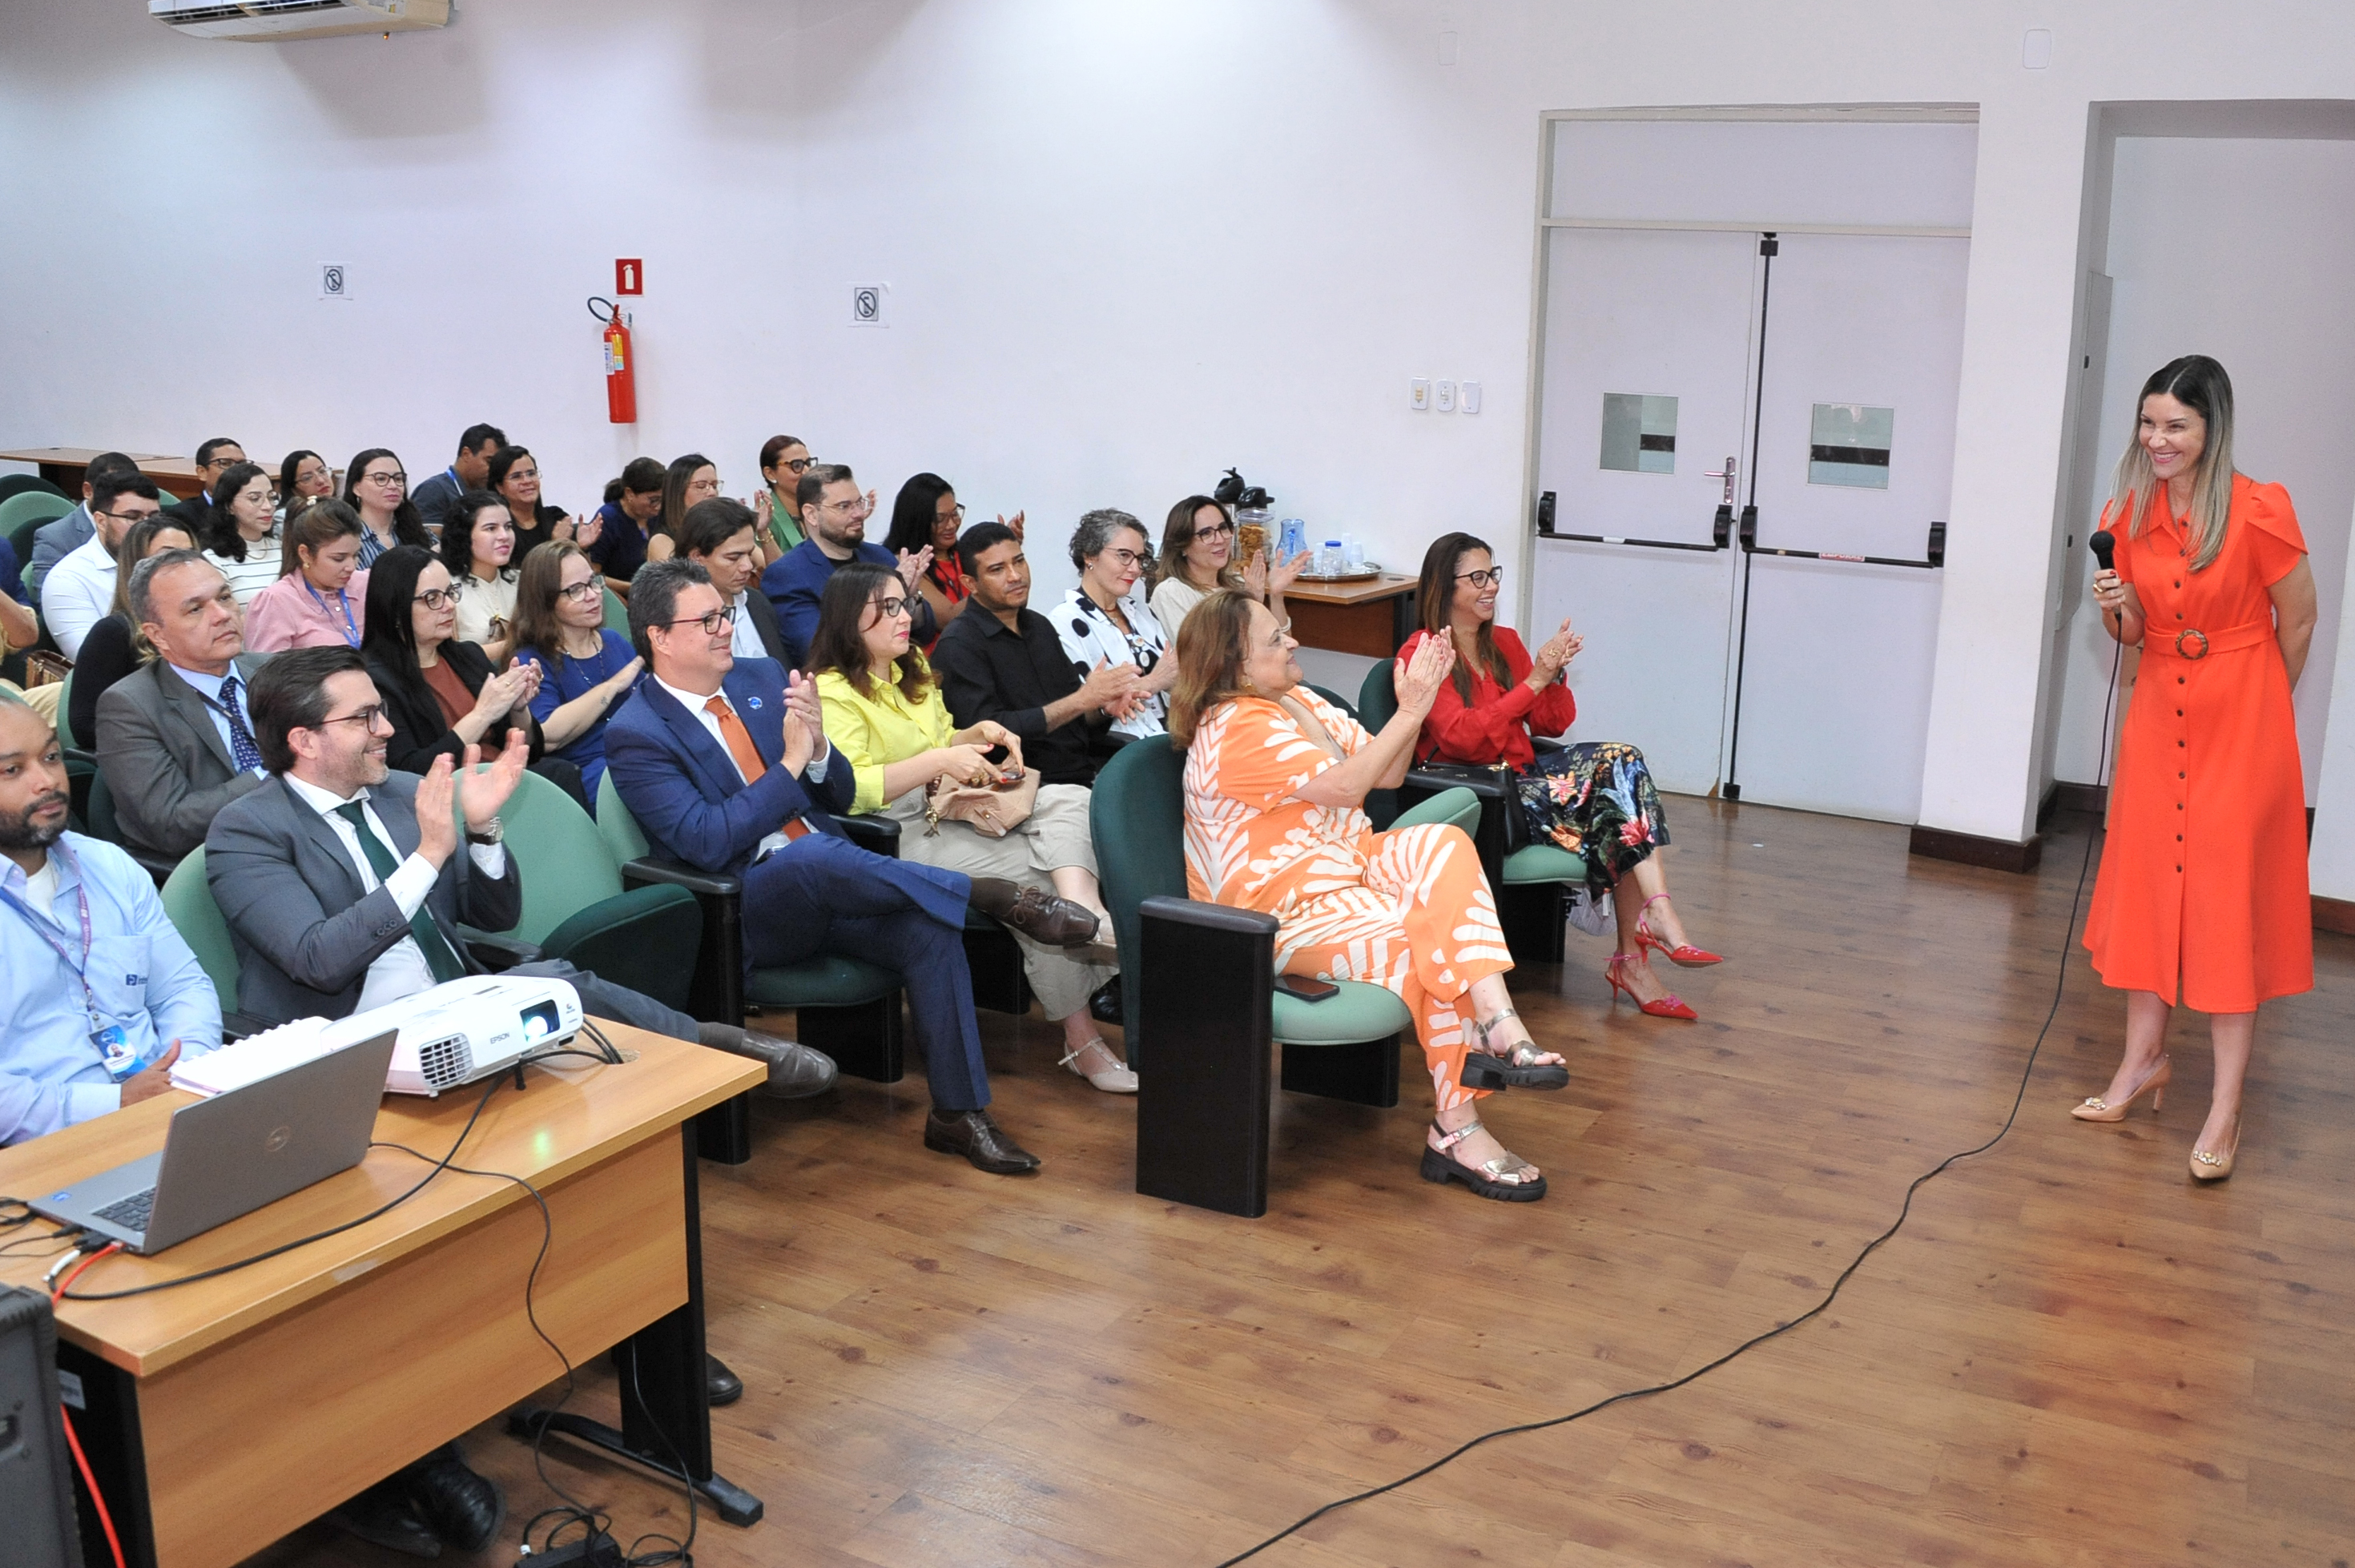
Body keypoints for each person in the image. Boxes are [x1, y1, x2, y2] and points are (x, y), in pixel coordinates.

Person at [606, 559, 1094, 1173]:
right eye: (707, 619)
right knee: (808, 854)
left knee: (926, 929)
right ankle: (985, 895)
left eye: (725, 613)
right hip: (745, 908)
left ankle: (959, 1115)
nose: (726, 627)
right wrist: (790, 766)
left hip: (832, 877)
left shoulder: (759, 678)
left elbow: (836, 794)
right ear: (658, 636)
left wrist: (817, 751)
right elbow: (706, 841)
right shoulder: (637, 733)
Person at [1173, 590, 1568, 1200]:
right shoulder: (1236, 725)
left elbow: (1385, 774)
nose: (1293, 641)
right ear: (1237, 665)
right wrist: (1413, 709)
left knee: (1441, 844)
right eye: (1275, 639)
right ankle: (1456, 1130)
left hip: (1343, 874)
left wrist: (1413, 711)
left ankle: (1498, 1020)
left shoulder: (1296, 699)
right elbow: (1348, 786)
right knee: (1422, 940)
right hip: (1277, 919)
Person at [2079, 355, 2315, 1183]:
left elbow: (2300, 616)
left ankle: (2225, 1104)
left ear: (2213, 427)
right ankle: (2141, 1062)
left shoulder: (2259, 508)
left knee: (2224, 905)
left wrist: (2263, 707)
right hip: (2157, 717)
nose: (2158, 439)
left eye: (2176, 425)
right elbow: (2135, 632)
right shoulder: (2130, 509)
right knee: (2149, 890)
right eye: (2148, 424)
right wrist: (2116, 610)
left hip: (2239, 719)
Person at [811, 562, 1132, 1092]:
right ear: (850, 621)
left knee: (1072, 796)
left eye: (904, 603)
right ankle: (1083, 1041)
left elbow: (943, 737)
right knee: (1041, 881)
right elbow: (855, 789)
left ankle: (1088, 913)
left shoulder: (908, 664)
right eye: (887, 608)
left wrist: (973, 735)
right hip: (894, 833)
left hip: (951, 801)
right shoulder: (833, 691)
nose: (905, 617)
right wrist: (942, 761)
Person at [1401, 533, 1720, 1020]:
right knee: (1617, 800)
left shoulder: (1503, 642)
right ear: (1444, 587)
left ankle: (1657, 914)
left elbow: (1551, 724)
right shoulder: (1423, 650)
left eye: (1494, 575)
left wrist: (1555, 673)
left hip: (1528, 778)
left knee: (1623, 764)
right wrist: (1533, 681)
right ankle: (1638, 952)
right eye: (1478, 578)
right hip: (1480, 794)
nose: (1490, 588)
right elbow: (1462, 738)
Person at [0, 694, 218, 1146]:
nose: (47, 782)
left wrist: (188, 1072)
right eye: (12, 770)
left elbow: (182, 987)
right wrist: (116, 1103)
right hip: (44, 1150)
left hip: (172, 1107)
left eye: (52, 757)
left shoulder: (107, 865)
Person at [932, 522, 1141, 787]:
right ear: (970, 584)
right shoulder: (959, 644)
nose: (1015, 576)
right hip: (1021, 786)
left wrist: (1100, 706)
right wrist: (1082, 700)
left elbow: (1070, 709)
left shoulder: (1039, 626)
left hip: (1083, 773)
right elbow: (990, 732)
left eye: (1019, 562)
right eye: (998, 570)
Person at [94, 551, 269, 865]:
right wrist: (272, 772)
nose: (222, 615)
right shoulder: (129, 707)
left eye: (225, 597)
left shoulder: (273, 671)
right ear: (157, 635)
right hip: (212, 864)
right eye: (195, 609)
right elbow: (171, 824)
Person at [360, 547, 570, 801]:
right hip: (447, 798)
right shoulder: (374, 681)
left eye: (450, 593)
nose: (449, 606)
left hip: (503, 778)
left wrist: (517, 707)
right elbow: (409, 772)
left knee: (562, 774)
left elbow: (533, 751)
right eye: (432, 598)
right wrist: (482, 715)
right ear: (395, 609)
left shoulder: (467, 656)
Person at [764, 463, 938, 670]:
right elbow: (816, 649)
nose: (858, 514)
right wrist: (884, 600)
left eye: (859, 503)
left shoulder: (879, 556)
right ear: (811, 514)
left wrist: (911, 597)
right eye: (844, 507)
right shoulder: (787, 575)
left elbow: (924, 632)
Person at [512, 543, 644, 806]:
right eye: (575, 590)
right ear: (545, 601)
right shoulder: (532, 659)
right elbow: (547, 736)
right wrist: (613, 685)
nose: (593, 595)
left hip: (642, 754)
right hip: (593, 776)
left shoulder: (612, 640)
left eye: (593, 582)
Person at [66, 515, 199, 749]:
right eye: (167, 556)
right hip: (150, 755)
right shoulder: (113, 633)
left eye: (190, 555)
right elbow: (84, 725)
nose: (183, 565)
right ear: (139, 565)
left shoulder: (208, 623)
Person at [1052, 509, 1173, 739]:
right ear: (1090, 556)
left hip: (1165, 736)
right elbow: (1077, 708)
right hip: (1115, 749)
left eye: (1139, 558)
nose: (1136, 569)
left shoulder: (1140, 611)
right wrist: (1153, 682)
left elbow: (1174, 672)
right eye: (1124, 556)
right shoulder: (1064, 621)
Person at [43, 470, 163, 660]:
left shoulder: (168, 561)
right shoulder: (67, 579)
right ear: (101, 521)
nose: (147, 527)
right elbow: (95, 660)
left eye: (154, 517)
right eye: (133, 517)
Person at [1149, 493, 1309, 636]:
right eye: (1206, 533)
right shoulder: (1171, 592)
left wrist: (1276, 595)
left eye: (1223, 528)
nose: (1220, 540)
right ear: (1182, 545)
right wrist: (1250, 604)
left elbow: (1284, 649)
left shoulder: (1238, 583)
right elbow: (1204, 658)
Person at [244, 498, 371, 652]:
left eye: (356, 555)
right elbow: (266, 672)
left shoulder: (366, 584)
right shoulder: (277, 601)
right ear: (306, 554)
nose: (351, 567)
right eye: (339, 558)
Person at [682, 498, 788, 663]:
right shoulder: (680, 619)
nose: (747, 566)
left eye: (750, 554)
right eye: (733, 558)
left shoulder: (757, 602)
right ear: (697, 557)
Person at [28, 452, 141, 599]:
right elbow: (48, 599)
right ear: (88, 491)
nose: (123, 500)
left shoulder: (149, 527)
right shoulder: (54, 538)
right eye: (113, 491)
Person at [439, 490, 521, 659]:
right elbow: (452, 659)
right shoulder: (446, 590)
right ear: (465, 536)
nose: (504, 536)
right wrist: (521, 643)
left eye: (508, 527)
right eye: (491, 528)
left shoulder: (522, 581)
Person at [486, 444, 595, 563]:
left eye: (531, 473)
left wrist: (583, 548)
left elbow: (582, 573)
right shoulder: (501, 531)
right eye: (516, 477)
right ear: (500, 487)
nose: (527, 481)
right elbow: (520, 578)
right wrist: (554, 545)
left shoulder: (556, 518)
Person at [199, 460, 282, 605]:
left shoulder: (285, 548)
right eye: (255, 499)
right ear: (229, 506)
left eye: (271, 497)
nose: (268, 506)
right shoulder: (214, 560)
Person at [340, 448, 433, 568]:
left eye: (398, 479)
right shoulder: (346, 538)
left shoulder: (422, 533)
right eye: (381, 479)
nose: (393, 486)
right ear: (357, 488)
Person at [587, 456, 666, 597]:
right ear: (630, 493)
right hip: (617, 599)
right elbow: (593, 576)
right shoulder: (608, 519)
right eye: (653, 500)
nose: (658, 506)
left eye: (662, 499)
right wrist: (634, 588)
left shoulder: (657, 516)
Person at [409, 424, 505, 538]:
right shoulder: (434, 490)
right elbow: (424, 541)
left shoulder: (490, 493)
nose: (493, 470)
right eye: (489, 462)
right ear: (466, 454)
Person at [649, 452, 723, 566]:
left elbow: (760, 563)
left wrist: (760, 532)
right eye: (701, 486)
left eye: (714, 486)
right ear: (678, 491)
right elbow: (684, 582)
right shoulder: (662, 541)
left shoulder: (722, 530)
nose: (712, 492)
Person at [160, 437, 246, 531]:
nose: (237, 470)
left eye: (242, 464)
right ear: (202, 472)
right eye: (225, 463)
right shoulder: (181, 516)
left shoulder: (256, 511)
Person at [755, 436, 813, 559]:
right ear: (770, 473)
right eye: (797, 465)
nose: (806, 471)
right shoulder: (761, 518)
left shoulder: (819, 508)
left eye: (808, 463)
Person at [276, 448, 336, 525]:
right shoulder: (285, 517)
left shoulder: (340, 508)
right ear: (293, 489)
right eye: (307, 478)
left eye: (322, 471)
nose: (321, 481)